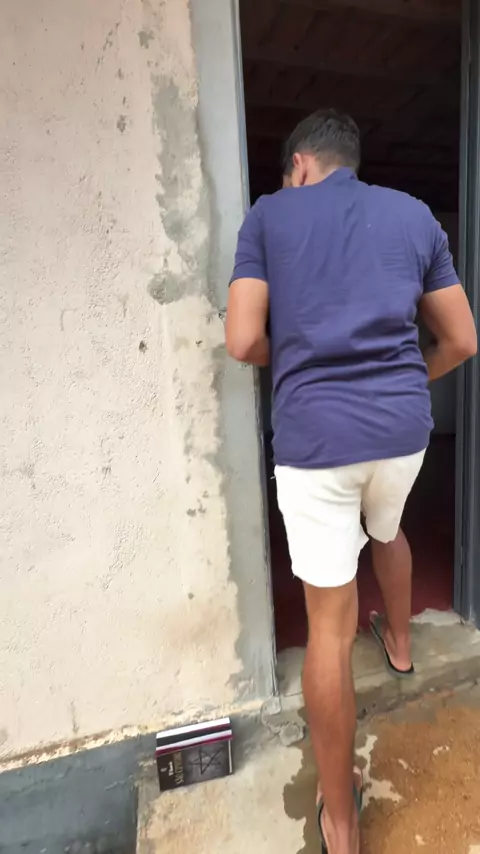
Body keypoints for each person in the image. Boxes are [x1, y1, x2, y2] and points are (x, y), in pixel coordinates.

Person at [226, 109, 477, 854]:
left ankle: (340, 821)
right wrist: (403, 379)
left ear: (299, 165)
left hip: (317, 443)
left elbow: (243, 338)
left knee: (329, 632)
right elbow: (462, 339)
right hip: (401, 436)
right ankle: (400, 645)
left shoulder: (269, 216)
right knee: (388, 530)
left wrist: (302, 355)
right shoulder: (415, 217)